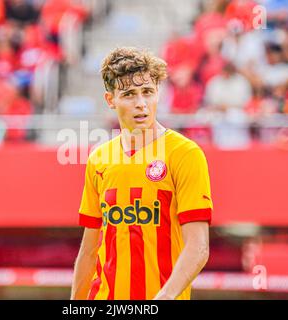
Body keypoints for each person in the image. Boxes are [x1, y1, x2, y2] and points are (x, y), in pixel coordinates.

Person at [70, 47, 213, 300]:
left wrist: (165, 297)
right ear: (110, 99)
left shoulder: (185, 154)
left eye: (147, 92)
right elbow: (90, 250)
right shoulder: (98, 159)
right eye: (129, 94)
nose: (141, 104)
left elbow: (199, 247)